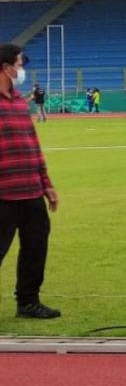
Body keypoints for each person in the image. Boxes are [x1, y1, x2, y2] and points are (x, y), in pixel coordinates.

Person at [0, 45, 60, 319]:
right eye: (19, 64)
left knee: (36, 246)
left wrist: (46, 183)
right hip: (3, 193)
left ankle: (28, 301)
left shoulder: (19, 103)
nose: (21, 70)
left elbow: (32, 145)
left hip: (31, 190)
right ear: (5, 67)